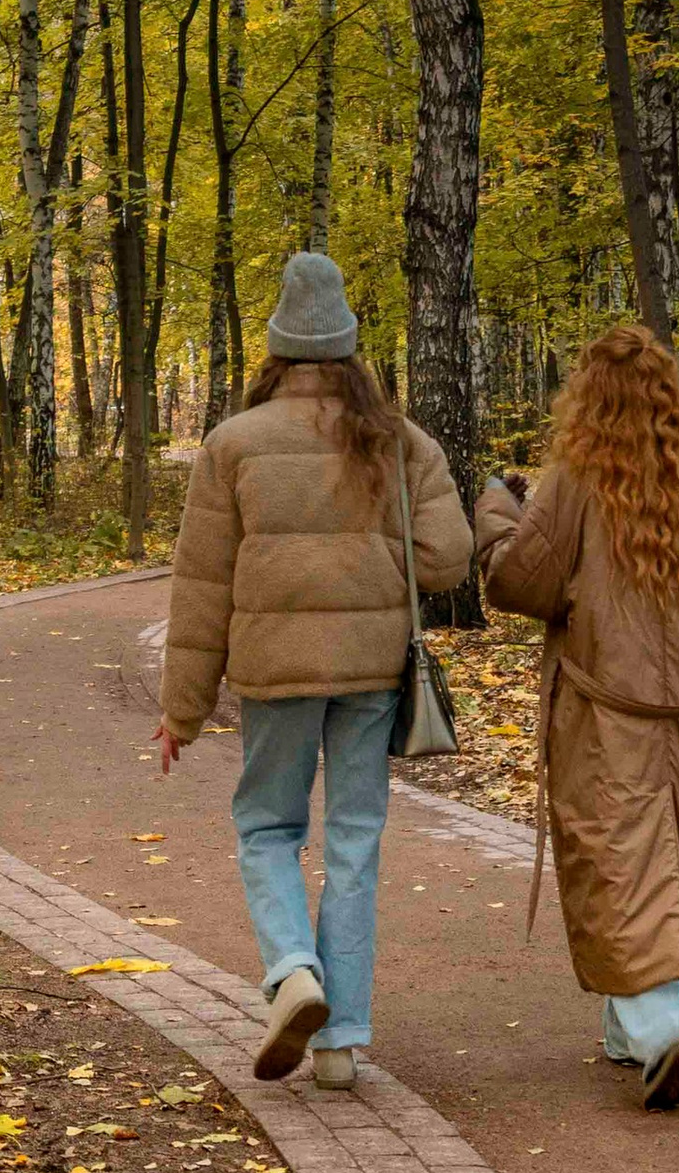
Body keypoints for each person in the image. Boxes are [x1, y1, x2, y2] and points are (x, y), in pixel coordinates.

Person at [156, 250, 472, 1090]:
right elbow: (446, 560)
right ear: (348, 347)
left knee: (267, 828)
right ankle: (342, 1043)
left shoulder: (232, 445)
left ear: (277, 349)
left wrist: (180, 709)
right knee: (356, 839)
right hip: (372, 673)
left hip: (273, 674)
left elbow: (201, 583)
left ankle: (294, 969)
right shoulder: (398, 441)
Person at [474, 322, 679, 1110]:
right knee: (672, 866)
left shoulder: (577, 478)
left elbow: (522, 583)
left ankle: (666, 1025)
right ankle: (626, 1030)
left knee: (620, 874)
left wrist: (496, 517)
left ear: (590, 401)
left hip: (608, 719)